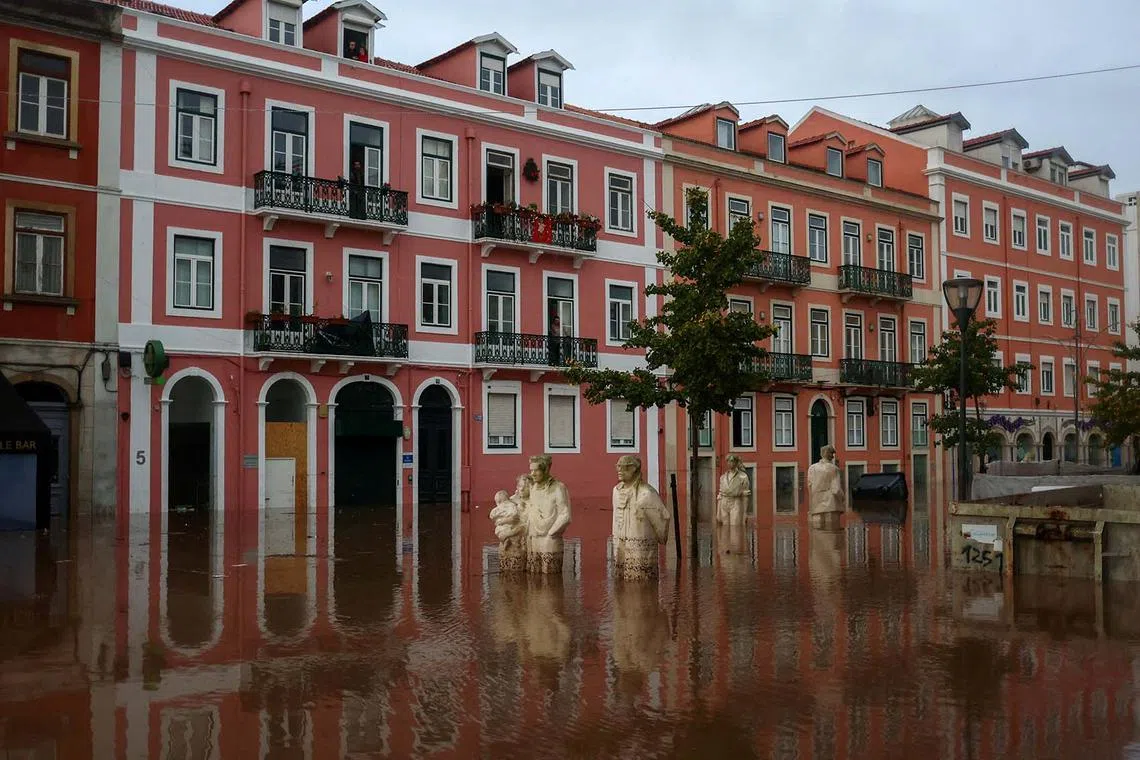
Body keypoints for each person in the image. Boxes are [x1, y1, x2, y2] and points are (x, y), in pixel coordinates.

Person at [612, 455, 670, 580]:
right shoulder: (616, 491)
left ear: (634, 469)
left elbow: (663, 517)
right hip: (620, 544)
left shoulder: (647, 494)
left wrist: (661, 537)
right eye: (618, 467)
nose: (619, 471)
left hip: (641, 547)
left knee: (642, 580)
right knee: (621, 581)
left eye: (624, 468)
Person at [524, 455, 571, 574]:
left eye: (536, 470)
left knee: (550, 578)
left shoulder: (558, 488)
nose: (532, 474)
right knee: (534, 577)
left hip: (550, 539)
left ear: (545, 470)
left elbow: (565, 515)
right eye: (531, 470)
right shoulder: (533, 488)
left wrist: (551, 533)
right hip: (534, 538)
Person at [807, 445, 845, 530]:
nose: (833, 456)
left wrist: (811, 505)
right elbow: (836, 489)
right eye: (832, 454)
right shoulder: (834, 469)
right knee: (832, 537)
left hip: (816, 506)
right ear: (830, 455)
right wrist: (843, 498)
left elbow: (809, 487)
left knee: (817, 537)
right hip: (831, 506)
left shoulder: (812, 468)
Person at [716, 454, 750, 526]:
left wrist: (745, 513)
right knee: (725, 527)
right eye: (728, 461)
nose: (729, 463)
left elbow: (745, 495)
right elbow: (720, 495)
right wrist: (718, 512)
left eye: (732, 461)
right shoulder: (723, 477)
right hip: (724, 503)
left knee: (735, 525)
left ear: (736, 462)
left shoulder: (743, 476)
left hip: (735, 502)